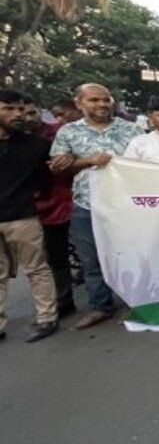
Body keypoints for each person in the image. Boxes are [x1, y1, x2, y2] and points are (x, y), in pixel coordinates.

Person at [50, 83, 144, 329]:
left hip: (126, 205)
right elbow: (59, 166)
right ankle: (101, 306)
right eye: (94, 100)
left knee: (131, 254)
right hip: (86, 204)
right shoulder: (68, 132)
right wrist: (87, 161)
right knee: (91, 260)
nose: (102, 104)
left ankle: (139, 301)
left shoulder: (132, 129)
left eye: (106, 100)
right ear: (79, 103)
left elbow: (147, 163)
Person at [0, 90, 60, 342]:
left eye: (20, 109)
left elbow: (48, 177)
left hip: (23, 217)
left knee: (37, 269)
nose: (17, 114)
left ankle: (47, 318)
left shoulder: (36, 145)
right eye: (9, 109)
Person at [24, 96, 75, 316]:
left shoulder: (59, 135)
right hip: (26, 209)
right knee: (45, 260)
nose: (24, 117)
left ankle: (64, 302)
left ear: (39, 111)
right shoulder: (12, 141)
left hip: (61, 203)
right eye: (17, 111)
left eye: (30, 112)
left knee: (61, 257)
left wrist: (70, 158)